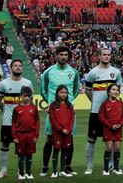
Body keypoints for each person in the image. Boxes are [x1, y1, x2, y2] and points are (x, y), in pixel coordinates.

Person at [40, 46, 80, 177]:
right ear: (56, 55)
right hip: (53, 111)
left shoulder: (73, 72)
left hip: (68, 112)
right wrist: (52, 103)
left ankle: (67, 166)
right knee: (49, 138)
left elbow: (75, 89)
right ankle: (45, 167)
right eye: (61, 54)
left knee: (69, 138)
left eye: (66, 55)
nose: (63, 57)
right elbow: (43, 90)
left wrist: (69, 103)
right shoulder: (48, 72)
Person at [83, 48, 123, 175]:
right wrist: (95, 103)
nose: (106, 57)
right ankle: (89, 166)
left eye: (108, 55)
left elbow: (117, 89)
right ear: (99, 56)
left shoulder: (116, 72)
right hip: (95, 112)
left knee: (111, 140)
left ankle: (111, 166)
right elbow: (88, 90)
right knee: (91, 139)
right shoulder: (92, 73)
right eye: (104, 54)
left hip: (111, 114)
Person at [0, 59, 34, 178]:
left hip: (22, 124)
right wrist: (7, 112)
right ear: (11, 68)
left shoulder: (28, 83)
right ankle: (3, 170)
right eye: (15, 66)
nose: (18, 67)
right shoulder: (3, 83)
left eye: (20, 65)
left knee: (21, 147)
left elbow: (30, 102)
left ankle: (20, 171)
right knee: (5, 145)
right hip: (7, 122)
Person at [11, 86, 39, 180]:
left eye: (28, 96)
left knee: (29, 154)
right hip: (20, 135)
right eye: (25, 96)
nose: (26, 98)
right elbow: (14, 123)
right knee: (21, 155)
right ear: (21, 96)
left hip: (31, 135)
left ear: (30, 97)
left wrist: (36, 135)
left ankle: (28, 173)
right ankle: (21, 173)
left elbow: (37, 122)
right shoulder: (17, 109)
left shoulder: (34, 108)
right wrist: (14, 136)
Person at [99, 85, 123, 176]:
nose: (116, 92)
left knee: (117, 148)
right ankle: (106, 169)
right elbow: (101, 117)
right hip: (108, 129)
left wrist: (120, 124)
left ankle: (116, 168)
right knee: (109, 148)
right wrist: (111, 126)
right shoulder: (104, 104)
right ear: (108, 92)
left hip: (118, 129)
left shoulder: (120, 104)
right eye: (113, 90)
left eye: (117, 90)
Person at [48, 85, 75, 178]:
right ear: (57, 93)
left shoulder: (69, 105)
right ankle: (55, 171)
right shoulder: (53, 105)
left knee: (65, 151)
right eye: (62, 92)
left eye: (65, 93)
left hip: (67, 132)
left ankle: (63, 170)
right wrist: (61, 129)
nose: (64, 94)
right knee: (56, 150)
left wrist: (69, 129)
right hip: (57, 133)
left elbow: (72, 118)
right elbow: (52, 120)